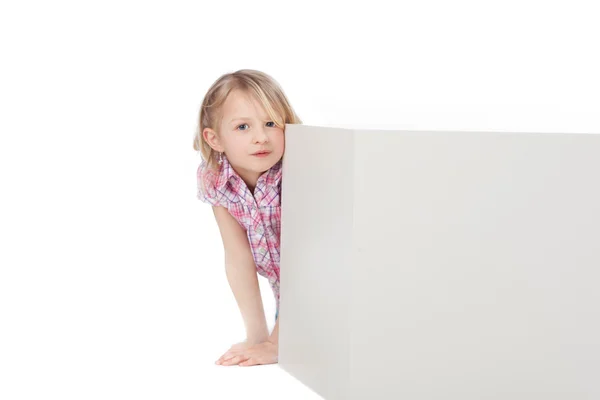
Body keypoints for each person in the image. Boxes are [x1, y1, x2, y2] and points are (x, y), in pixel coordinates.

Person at [193, 69, 302, 366]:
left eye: (271, 123)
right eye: (243, 127)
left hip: (323, 283)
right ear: (215, 139)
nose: (261, 138)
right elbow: (237, 256)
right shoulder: (216, 180)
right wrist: (257, 337)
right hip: (292, 295)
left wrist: (278, 343)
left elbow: (307, 263)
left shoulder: (297, 173)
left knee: (309, 345)